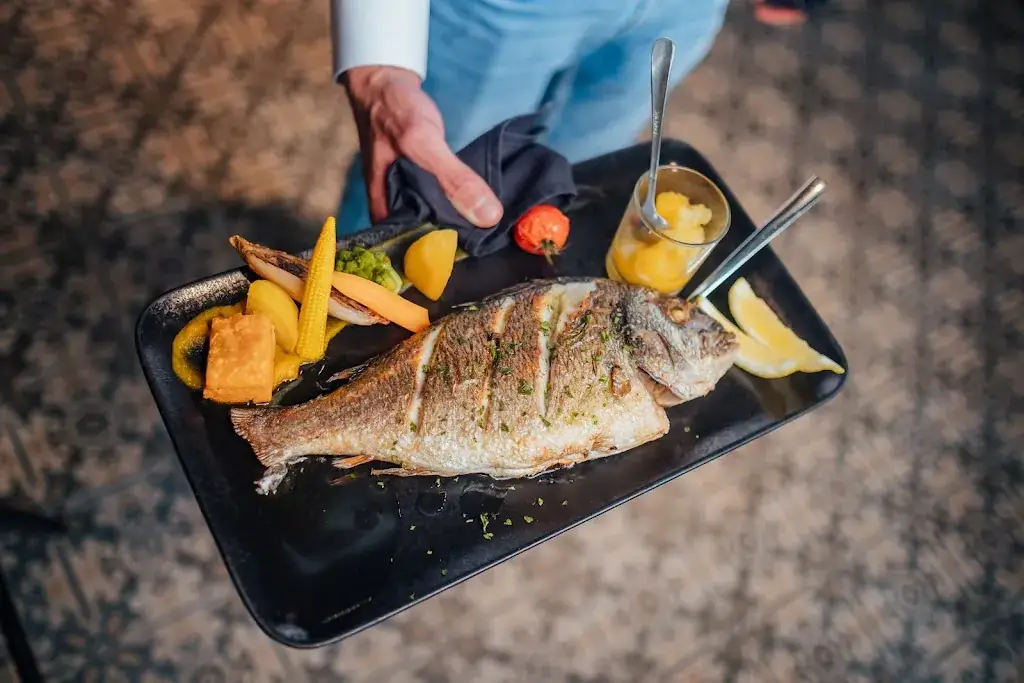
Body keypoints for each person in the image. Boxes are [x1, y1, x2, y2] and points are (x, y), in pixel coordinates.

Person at [332, 0, 730, 236]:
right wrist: (378, 70)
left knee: (571, 186)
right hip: (504, 11)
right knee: (417, 179)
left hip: (686, 12)